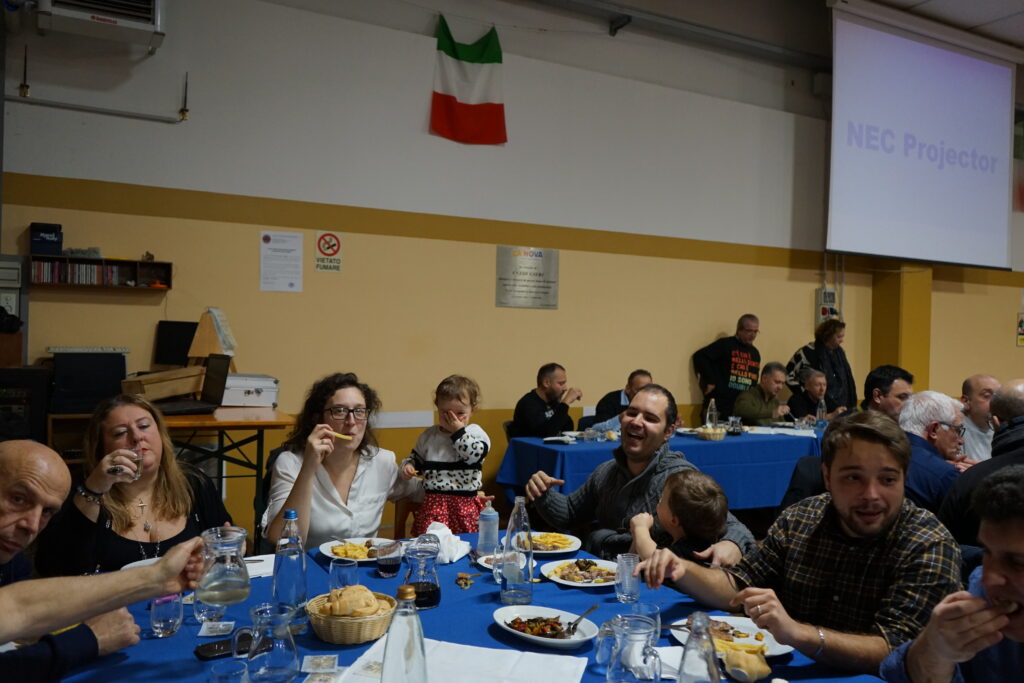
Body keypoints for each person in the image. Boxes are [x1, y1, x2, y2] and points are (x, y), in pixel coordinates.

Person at [637, 411, 961, 674]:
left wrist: (797, 633)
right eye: (853, 477)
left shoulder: (927, 543)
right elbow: (738, 585)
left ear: (904, 477)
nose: (871, 494)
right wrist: (683, 568)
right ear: (827, 477)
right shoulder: (802, 518)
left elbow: (896, 649)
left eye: (888, 479)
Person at [0, 439, 197, 681]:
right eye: (18, 499)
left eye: (47, 512)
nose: (31, 525)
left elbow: (19, 608)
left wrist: (159, 578)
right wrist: (90, 640)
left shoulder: (12, 562)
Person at [524, 383, 755, 562]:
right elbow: (570, 513)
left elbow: (734, 527)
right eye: (631, 413)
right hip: (603, 576)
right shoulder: (607, 471)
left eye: (650, 418)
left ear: (669, 431)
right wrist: (542, 492)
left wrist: (732, 544)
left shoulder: (679, 479)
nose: (636, 421)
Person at [35, 394, 232, 576]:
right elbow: (54, 570)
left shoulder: (194, 483)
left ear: (160, 434)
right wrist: (94, 489)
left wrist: (232, 549)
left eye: (144, 426)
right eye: (120, 433)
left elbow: (227, 541)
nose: (137, 437)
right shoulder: (82, 492)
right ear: (101, 448)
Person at [880, 465, 1024, 682]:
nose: (989, 579)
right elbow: (897, 673)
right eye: (987, 552)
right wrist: (935, 650)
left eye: (1018, 562)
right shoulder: (980, 592)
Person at [262, 372, 423, 548]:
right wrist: (308, 468)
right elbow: (280, 539)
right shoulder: (290, 463)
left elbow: (422, 490)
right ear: (318, 418)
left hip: (365, 563)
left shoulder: (382, 462)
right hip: (310, 564)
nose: (351, 421)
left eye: (359, 411)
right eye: (339, 411)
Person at [938, 379, 1024, 551]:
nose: (960, 440)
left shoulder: (971, 480)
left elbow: (943, 546)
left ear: (996, 422)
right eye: (986, 395)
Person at [399, 375, 490, 536]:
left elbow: (473, 456)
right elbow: (417, 459)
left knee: (467, 542)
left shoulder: (475, 433)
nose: (452, 419)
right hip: (434, 504)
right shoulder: (429, 436)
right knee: (432, 542)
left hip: (464, 505)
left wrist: (458, 432)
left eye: (460, 413)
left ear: (473, 409)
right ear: (437, 407)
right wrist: (409, 465)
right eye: (446, 413)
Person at [629, 469, 728, 565]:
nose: (659, 500)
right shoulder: (681, 536)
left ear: (674, 520)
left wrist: (640, 528)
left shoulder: (691, 549)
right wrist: (637, 536)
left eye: (662, 498)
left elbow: (653, 558)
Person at [898, 391, 964, 513]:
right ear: (933, 430)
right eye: (958, 430)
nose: (961, 441)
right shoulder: (944, 475)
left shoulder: (881, 454)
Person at [692, 314, 761, 419]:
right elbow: (700, 356)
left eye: (755, 331)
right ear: (739, 330)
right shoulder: (725, 344)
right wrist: (710, 380)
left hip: (742, 408)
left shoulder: (755, 353)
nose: (753, 335)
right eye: (749, 331)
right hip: (720, 406)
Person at [785, 318, 858, 410]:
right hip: (815, 407)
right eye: (839, 337)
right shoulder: (807, 352)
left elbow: (847, 380)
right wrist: (805, 394)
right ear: (828, 335)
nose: (842, 340)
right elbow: (787, 375)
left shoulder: (840, 353)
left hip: (842, 406)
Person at [510, 363, 582, 438]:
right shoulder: (528, 404)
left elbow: (568, 428)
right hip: (531, 445)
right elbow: (545, 434)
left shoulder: (553, 401)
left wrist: (563, 406)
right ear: (546, 383)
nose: (565, 388)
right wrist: (565, 403)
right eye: (561, 383)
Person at [732, 362, 791, 426]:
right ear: (764, 378)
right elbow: (741, 410)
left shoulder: (775, 401)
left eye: (782, 383)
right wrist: (771, 413)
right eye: (777, 382)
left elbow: (782, 425)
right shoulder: (748, 395)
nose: (780, 387)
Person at [960, 374, 1000, 462]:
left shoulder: (1002, 428)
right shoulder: (955, 430)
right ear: (966, 401)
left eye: (998, 396)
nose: (996, 402)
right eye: (987, 396)